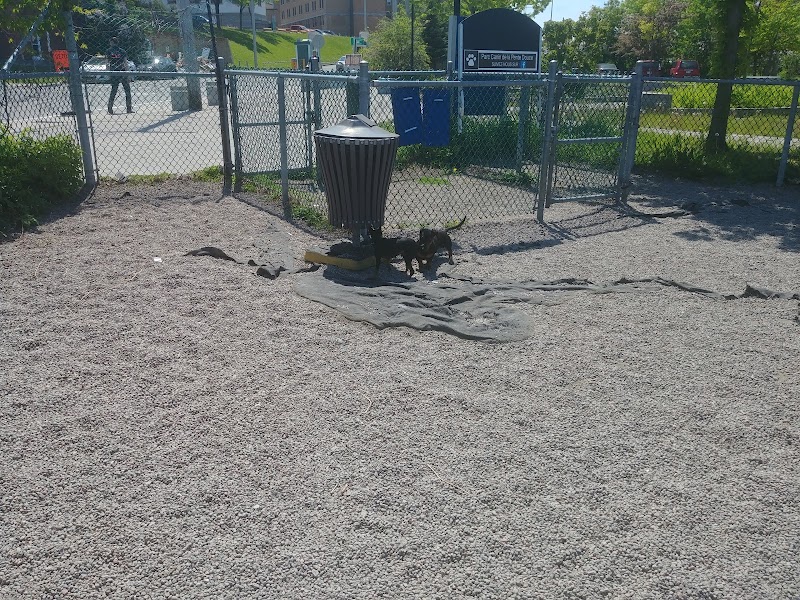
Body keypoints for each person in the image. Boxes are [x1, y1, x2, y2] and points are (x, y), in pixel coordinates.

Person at [106, 37, 133, 114]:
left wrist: (108, 73)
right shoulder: (122, 51)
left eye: (110, 42)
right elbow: (125, 63)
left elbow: (107, 63)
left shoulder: (109, 51)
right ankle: (129, 108)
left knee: (114, 90)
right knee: (127, 90)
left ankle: (110, 108)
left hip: (114, 71)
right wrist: (128, 74)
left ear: (112, 42)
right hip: (122, 71)